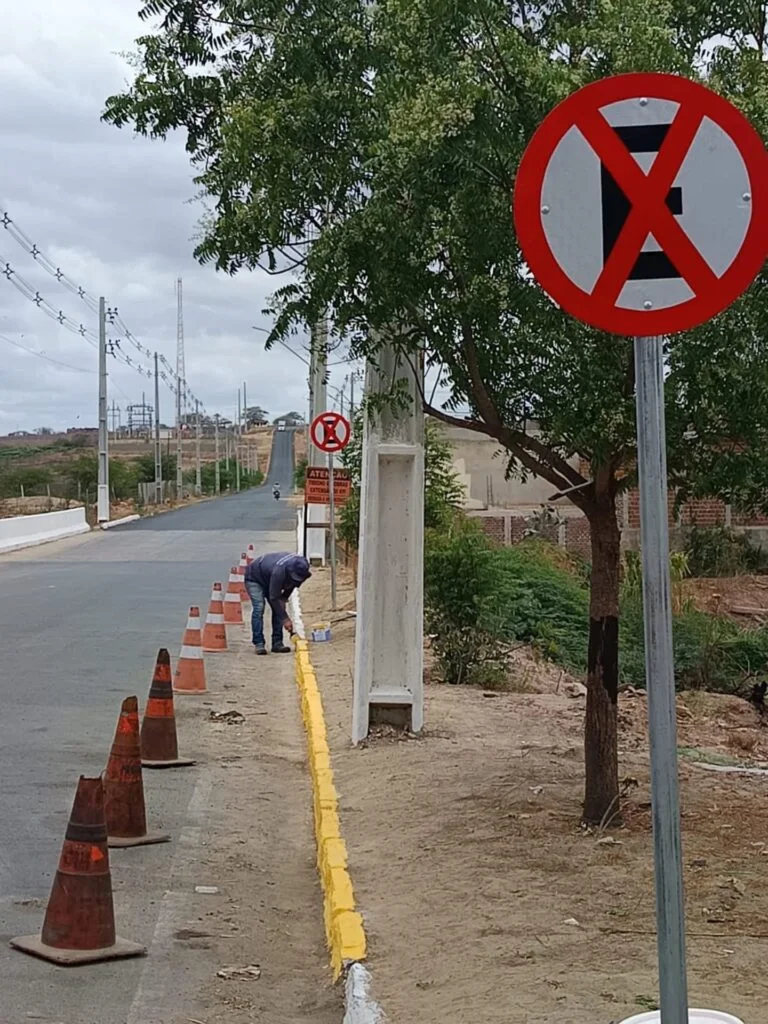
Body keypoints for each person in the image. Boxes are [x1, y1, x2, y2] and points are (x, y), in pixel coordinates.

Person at [244, 551, 311, 655]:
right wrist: (285, 619)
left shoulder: (302, 567)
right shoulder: (279, 572)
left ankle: (277, 643)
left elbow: (294, 584)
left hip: (269, 577)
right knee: (259, 607)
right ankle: (259, 643)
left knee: (279, 607)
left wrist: (284, 598)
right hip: (255, 578)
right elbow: (274, 597)